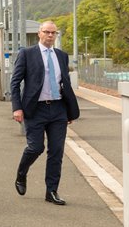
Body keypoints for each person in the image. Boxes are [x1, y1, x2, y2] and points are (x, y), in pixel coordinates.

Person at [11, 20, 80, 206]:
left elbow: (64, 83)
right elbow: (15, 82)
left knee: (56, 151)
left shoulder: (61, 56)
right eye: (47, 32)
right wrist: (17, 108)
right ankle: (21, 173)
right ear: (39, 34)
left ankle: (51, 191)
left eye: (53, 33)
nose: (50, 35)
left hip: (58, 109)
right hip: (35, 109)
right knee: (36, 148)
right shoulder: (27, 54)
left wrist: (70, 111)